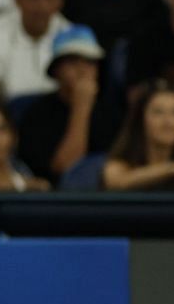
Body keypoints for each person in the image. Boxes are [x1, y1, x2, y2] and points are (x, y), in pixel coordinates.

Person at [15, 25, 123, 184]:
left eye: (90, 62)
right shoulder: (37, 114)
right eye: (72, 61)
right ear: (56, 70)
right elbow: (66, 171)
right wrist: (81, 107)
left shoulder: (112, 113)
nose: (82, 70)